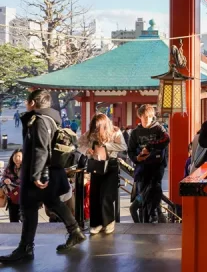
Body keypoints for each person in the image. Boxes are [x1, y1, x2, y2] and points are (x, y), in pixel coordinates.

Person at [0, 90, 85, 264]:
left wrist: (37, 174)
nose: (25, 102)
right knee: (51, 202)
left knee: (30, 208)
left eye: (27, 100)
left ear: (33, 102)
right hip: (50, 171)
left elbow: (41, 148)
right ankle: (74, 232)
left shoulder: (39, 121)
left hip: (39, 172)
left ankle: (26, 248)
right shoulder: (51, 119)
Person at [78, 114, 126, 235]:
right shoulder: (90, 133)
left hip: (111, 165)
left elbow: (123, 146)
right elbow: (79, 144)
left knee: (106, 196)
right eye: (94, 126)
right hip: (96, 165)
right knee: (94, 195)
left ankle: (109, 222)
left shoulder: (115, 131)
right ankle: (96, 223)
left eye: (98, 127)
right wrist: (87, 150)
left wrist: (106, 145)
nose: (96, 130)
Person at [127, 104, 170, 224]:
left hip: (157, 166)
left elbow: (166, 140)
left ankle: (156, 214)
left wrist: (150, 147)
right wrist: (137, 158)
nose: (146, 119)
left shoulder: (159, 129)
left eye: (149, 117)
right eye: (144, 117)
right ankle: (148, 217)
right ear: (140, 117)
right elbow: (130, 150)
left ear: (152, 117)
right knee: (143, 192)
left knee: (154, 188)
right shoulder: (135, 133)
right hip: (142, 167)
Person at [1, 149, 22, 222]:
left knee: (25, 220)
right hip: (12, 197)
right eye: (15, 156)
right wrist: (5, 180)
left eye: (19, 156)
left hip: (24, 198)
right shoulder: (9, 168)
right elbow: (3, 177)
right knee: (13, 220)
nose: (17, 159)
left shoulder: (27, 168)